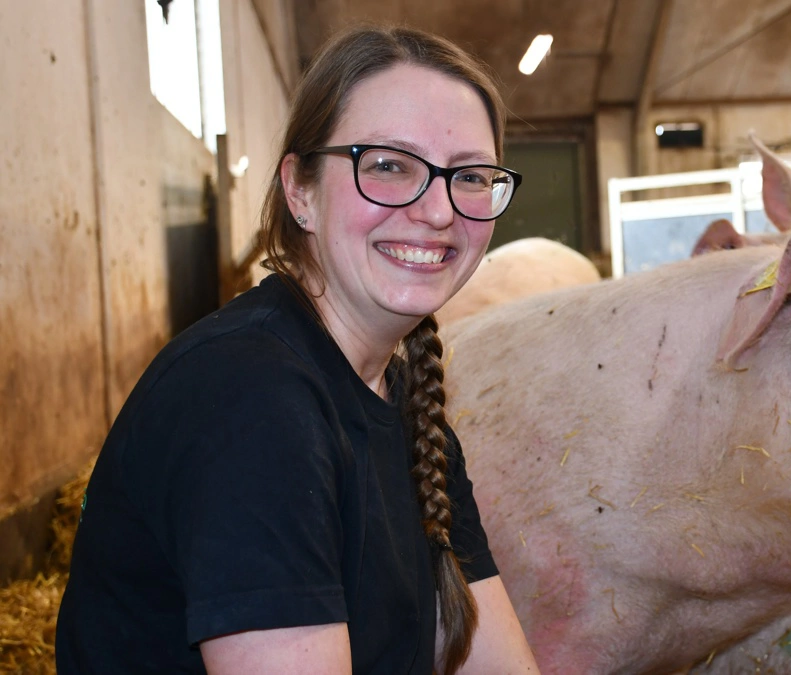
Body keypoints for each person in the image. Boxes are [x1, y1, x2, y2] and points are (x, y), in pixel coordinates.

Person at [56, 25, 540, 674]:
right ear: (300, 190)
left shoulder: (415, 416)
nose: (438, 210)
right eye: (389, 166)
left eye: (472, 176)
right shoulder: (250, 400)